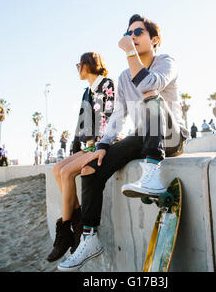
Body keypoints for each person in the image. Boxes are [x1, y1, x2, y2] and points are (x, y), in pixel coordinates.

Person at [57, 14, 188, 271]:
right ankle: (89, 238)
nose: (132, 37)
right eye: (129, 33)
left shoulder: (166, 62)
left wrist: (130, 55)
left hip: (172, 136)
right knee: (91, 169)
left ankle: (151, 173)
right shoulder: (123, 76)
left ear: (154, 39)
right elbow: (119, 115)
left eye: (138, 33)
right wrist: (104, 145)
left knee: (152, 96)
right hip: (142, 136)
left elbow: (150, 85)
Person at [47, 52, 116, 263]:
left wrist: (101, 144)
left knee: (67, 172)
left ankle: (65, 231)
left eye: (79, 64)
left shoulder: (107, 84)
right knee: (57, 169)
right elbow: (81, 124)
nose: (77, 67)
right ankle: (76, 226)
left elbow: (112, 117)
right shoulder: (87, 91)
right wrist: (76, 147)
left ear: (89, 64)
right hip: (88, 146)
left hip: (105, 143)